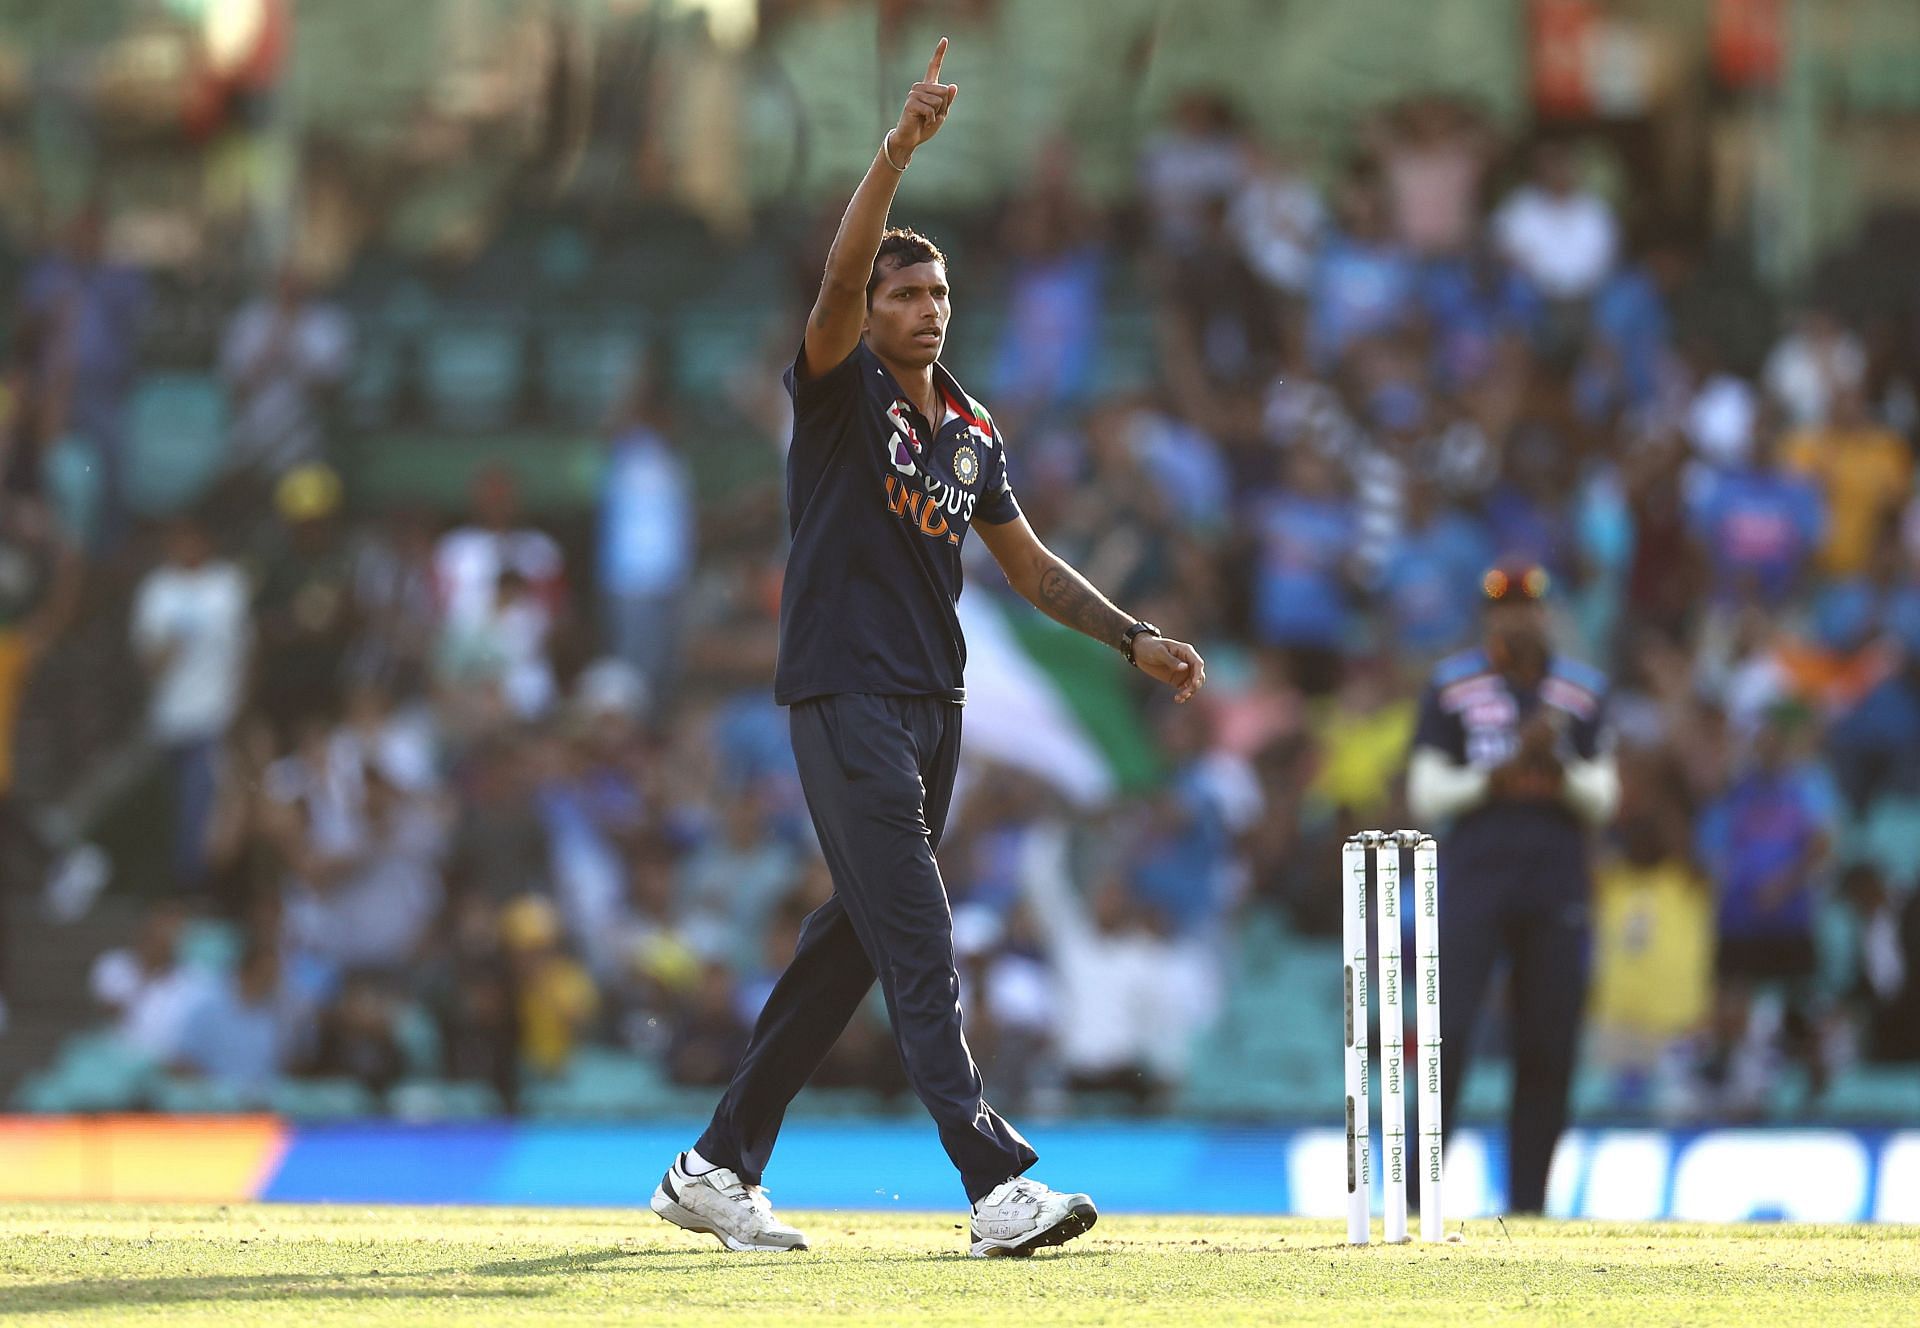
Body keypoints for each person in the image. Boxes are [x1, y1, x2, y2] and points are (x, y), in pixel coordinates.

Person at [651, 39, 1207, 1259]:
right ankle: (994, 1180)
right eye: (906, 294)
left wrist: (1132, 636)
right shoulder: (841, 390)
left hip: (930, 701)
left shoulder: (968, 430)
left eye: (939, 295)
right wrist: (896, 154)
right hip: (842, 687)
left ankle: (714, 1164)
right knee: (919, 929)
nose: (924, 308)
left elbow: (1027, 565)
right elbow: (842, 270)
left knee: (851, 941)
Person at [1405, 559, 1619, 1214]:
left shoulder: (1581, 690)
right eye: (1504, 605)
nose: (1517, 616)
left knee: (1548, 1044)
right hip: (1474, 880)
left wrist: (1557, 766)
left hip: (1554, 883)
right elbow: (1425, 790)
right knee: (1450, 1035)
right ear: (1487, 614)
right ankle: (1416, 1198)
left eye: (1529, 605)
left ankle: (1530, 1205)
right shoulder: (1453, 684)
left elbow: (1605, 796)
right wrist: (1495, 778)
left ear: (1548, 613)